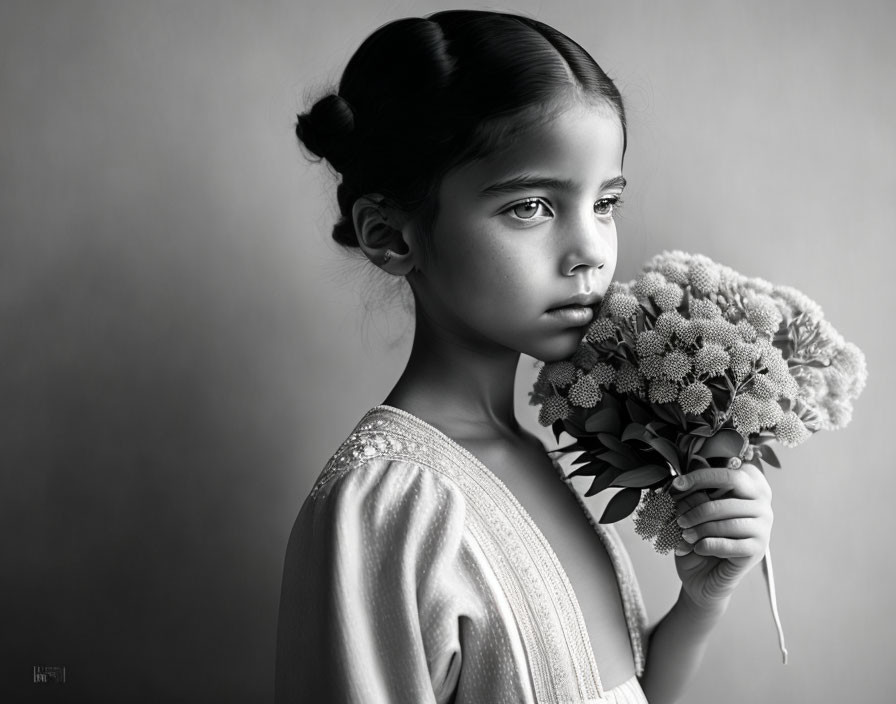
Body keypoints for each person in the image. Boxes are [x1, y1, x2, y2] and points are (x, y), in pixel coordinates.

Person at [275, 10, 773, 704]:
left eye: (604, 203)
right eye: (532, 206)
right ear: (390, 235)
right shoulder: (387, 505)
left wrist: (702, 600)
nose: (590, 252)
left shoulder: (533, 455)